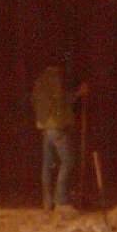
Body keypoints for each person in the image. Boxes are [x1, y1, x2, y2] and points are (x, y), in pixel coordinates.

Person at [31, 64, 88, 211]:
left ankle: (48, 201)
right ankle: (61, 200)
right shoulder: (54, 79)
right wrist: (79, 93)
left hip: (45, 127)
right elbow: (61, 100)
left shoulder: (40, 82)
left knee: (48, 165)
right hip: (58, 127)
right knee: (68, 161)